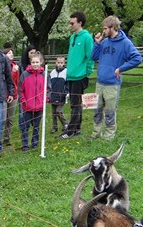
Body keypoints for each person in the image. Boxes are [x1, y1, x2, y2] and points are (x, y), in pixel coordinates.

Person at [90, 16, 142, 140]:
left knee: (109, 111)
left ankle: (108, 136)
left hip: (112, 84)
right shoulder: (104, 41)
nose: (103, 31)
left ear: (112, 27)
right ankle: (95, 134)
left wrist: (121, 68)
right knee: (97, 110)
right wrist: (97, 43)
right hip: (100, 83)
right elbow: (93, 57)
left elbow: (137, 58)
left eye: (105, 28)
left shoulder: (125, 43)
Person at [59, 11, 94, 139]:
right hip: (71, 75)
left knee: (75, 104)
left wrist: (87, 72)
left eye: (72, 23)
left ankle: (71, 130)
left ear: (80, 23)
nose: (70, 25)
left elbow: (90, 56)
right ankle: (77, 128)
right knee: (75, 103)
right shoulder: (72, 37)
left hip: (80, 76)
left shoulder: (87, 37)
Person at [19, 52, 47, 152]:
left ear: (41, 62)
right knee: (25, 127)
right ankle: (25, 145)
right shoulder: (24, 75)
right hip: (27, 107)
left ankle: (35, 144)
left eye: (37, 62)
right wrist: (23, 101)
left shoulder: (44, 75)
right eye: (33, 62)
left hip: (39, 106)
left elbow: (48, 89)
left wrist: (45, 99)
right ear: (30, 62)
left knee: (36, 127)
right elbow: (20, 90)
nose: (35, 64)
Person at [2, 47, 20, 147]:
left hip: (13, 95)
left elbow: (16, 82)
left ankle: (7, 138)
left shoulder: (15, 66)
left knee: (10, 118)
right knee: (2, 117)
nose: (11, 54)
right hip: (3, 95)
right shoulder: (1, 66)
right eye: (9, 53)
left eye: (12, 53)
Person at [49, 56, 68, 134]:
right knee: (54, 112)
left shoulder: (66, 72)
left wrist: (67, 92)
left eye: (61, 63)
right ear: (56, 62)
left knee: (58, 111)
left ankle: (65, 124)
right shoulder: (52, 72)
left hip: (62, 96)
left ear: (64, 63)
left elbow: (68, 84)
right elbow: (49, 84)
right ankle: (55, 127)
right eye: (58, 62)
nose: (59, 64)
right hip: (53, 95)